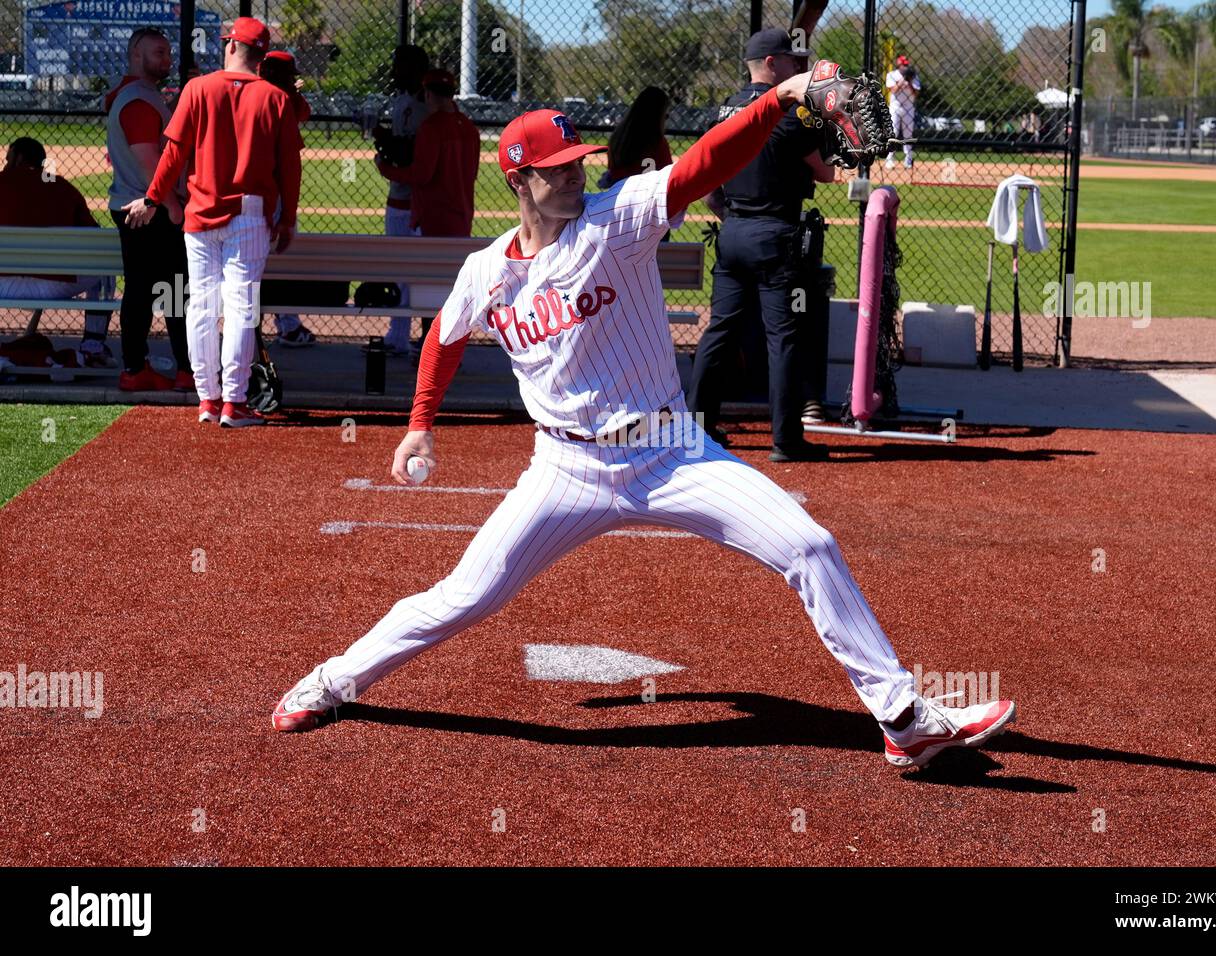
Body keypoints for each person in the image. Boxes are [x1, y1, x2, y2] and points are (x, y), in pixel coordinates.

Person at [270, 65, 1018, 772]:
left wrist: (782, 96)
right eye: (557, 164)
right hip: (565, 468)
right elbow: (443, 336)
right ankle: (333, 680)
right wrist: (419, 423)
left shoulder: (617, 219)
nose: (574, 170)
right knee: (463, 598)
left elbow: (704, 166)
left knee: (810, 545)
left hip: (669, 450)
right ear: (518, 180)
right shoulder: (487, 270)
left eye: (577, 158)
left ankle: (901, 721)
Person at [122, 16, 301, 428]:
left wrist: (153, 198)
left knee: (201, 304)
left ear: (233, 47)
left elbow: (173, 153)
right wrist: (287, 217)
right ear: (260, 53)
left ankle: (208, 398)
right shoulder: (275, 98)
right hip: (251, 212)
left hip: (200, 209)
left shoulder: (198, 88)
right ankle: (233, 403)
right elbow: (289, 168)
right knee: (241, 304)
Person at [686, 27, 836, 462]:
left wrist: (734, 221)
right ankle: (786, 440)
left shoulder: (723, 110)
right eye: (791, 60)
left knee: (719, 331)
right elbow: (826, 173)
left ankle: (697, 427)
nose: (798, 67)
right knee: (783, 337)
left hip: (733, 235)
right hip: (775, 236)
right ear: (772, 64)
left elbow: (707, 183)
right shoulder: (791, 112)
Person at [103, 26, 194, 391]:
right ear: (136, 54)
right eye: (159, 52)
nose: (167, 59)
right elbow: (149, 161)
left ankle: (147, 367)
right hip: (147, 208)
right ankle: (155, 368)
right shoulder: (139, 99)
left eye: (168, 53)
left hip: (144, 205)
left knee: (156, 288)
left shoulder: (141, 95)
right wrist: (170, 204)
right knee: (161, 289)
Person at [374, 67, 481, 361]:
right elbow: (470, 174)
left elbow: (421, 175)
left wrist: (386, 169)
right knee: (447, 289)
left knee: (427, 291)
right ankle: (444, 352)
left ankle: (433, 352)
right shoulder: (469, 127)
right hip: (460, 216)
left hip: (433, 217)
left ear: (430, 94)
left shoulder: (432, 127)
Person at [0, 138, 115, 367]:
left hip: (3, 283)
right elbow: (94, 237)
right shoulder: (62, 187)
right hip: (54, 285)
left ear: (19, 159)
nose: (5, 164)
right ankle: (93, 346)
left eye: (8, 159)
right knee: (105, 268)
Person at [374, 44, 431, 357]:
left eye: (400, 66)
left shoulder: (423, 106)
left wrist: (386, 149)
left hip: (413, 200)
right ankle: (397, 335)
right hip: (399, 196)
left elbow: (410, 153)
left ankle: (407, 337)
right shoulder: (404, 100)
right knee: (399, 269)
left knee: (413, 271)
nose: (394, 71)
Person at [258, 49, 318, 348]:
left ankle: (285, 322)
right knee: (278, 258)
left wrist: (288, 91)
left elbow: (303, 111)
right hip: (273, 193)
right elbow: (302, 114)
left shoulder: (261, 96)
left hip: (251, 193)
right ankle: (289, 325)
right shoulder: (277, 101)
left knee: (264, 261)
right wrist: (288, 92)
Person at [599, 85, 672, 188]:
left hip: (618, 198)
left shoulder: (618, 138)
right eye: (665, 116)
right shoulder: (657, 142)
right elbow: (667, 179)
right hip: (647, 200)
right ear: (657, 116)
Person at [883, 55, 920, 170]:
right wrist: (902, 80)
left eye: (906, 65)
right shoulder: (892, 75)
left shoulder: (913, 76)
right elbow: (893, 89)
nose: (905, 67)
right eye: (903, 65)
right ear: (898, 65)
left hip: (909, 108)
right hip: (895, 107)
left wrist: (909, 82)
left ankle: (908, 159)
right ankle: (889, 159)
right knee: (893, 133)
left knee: (908, 134)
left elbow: (916, 93)